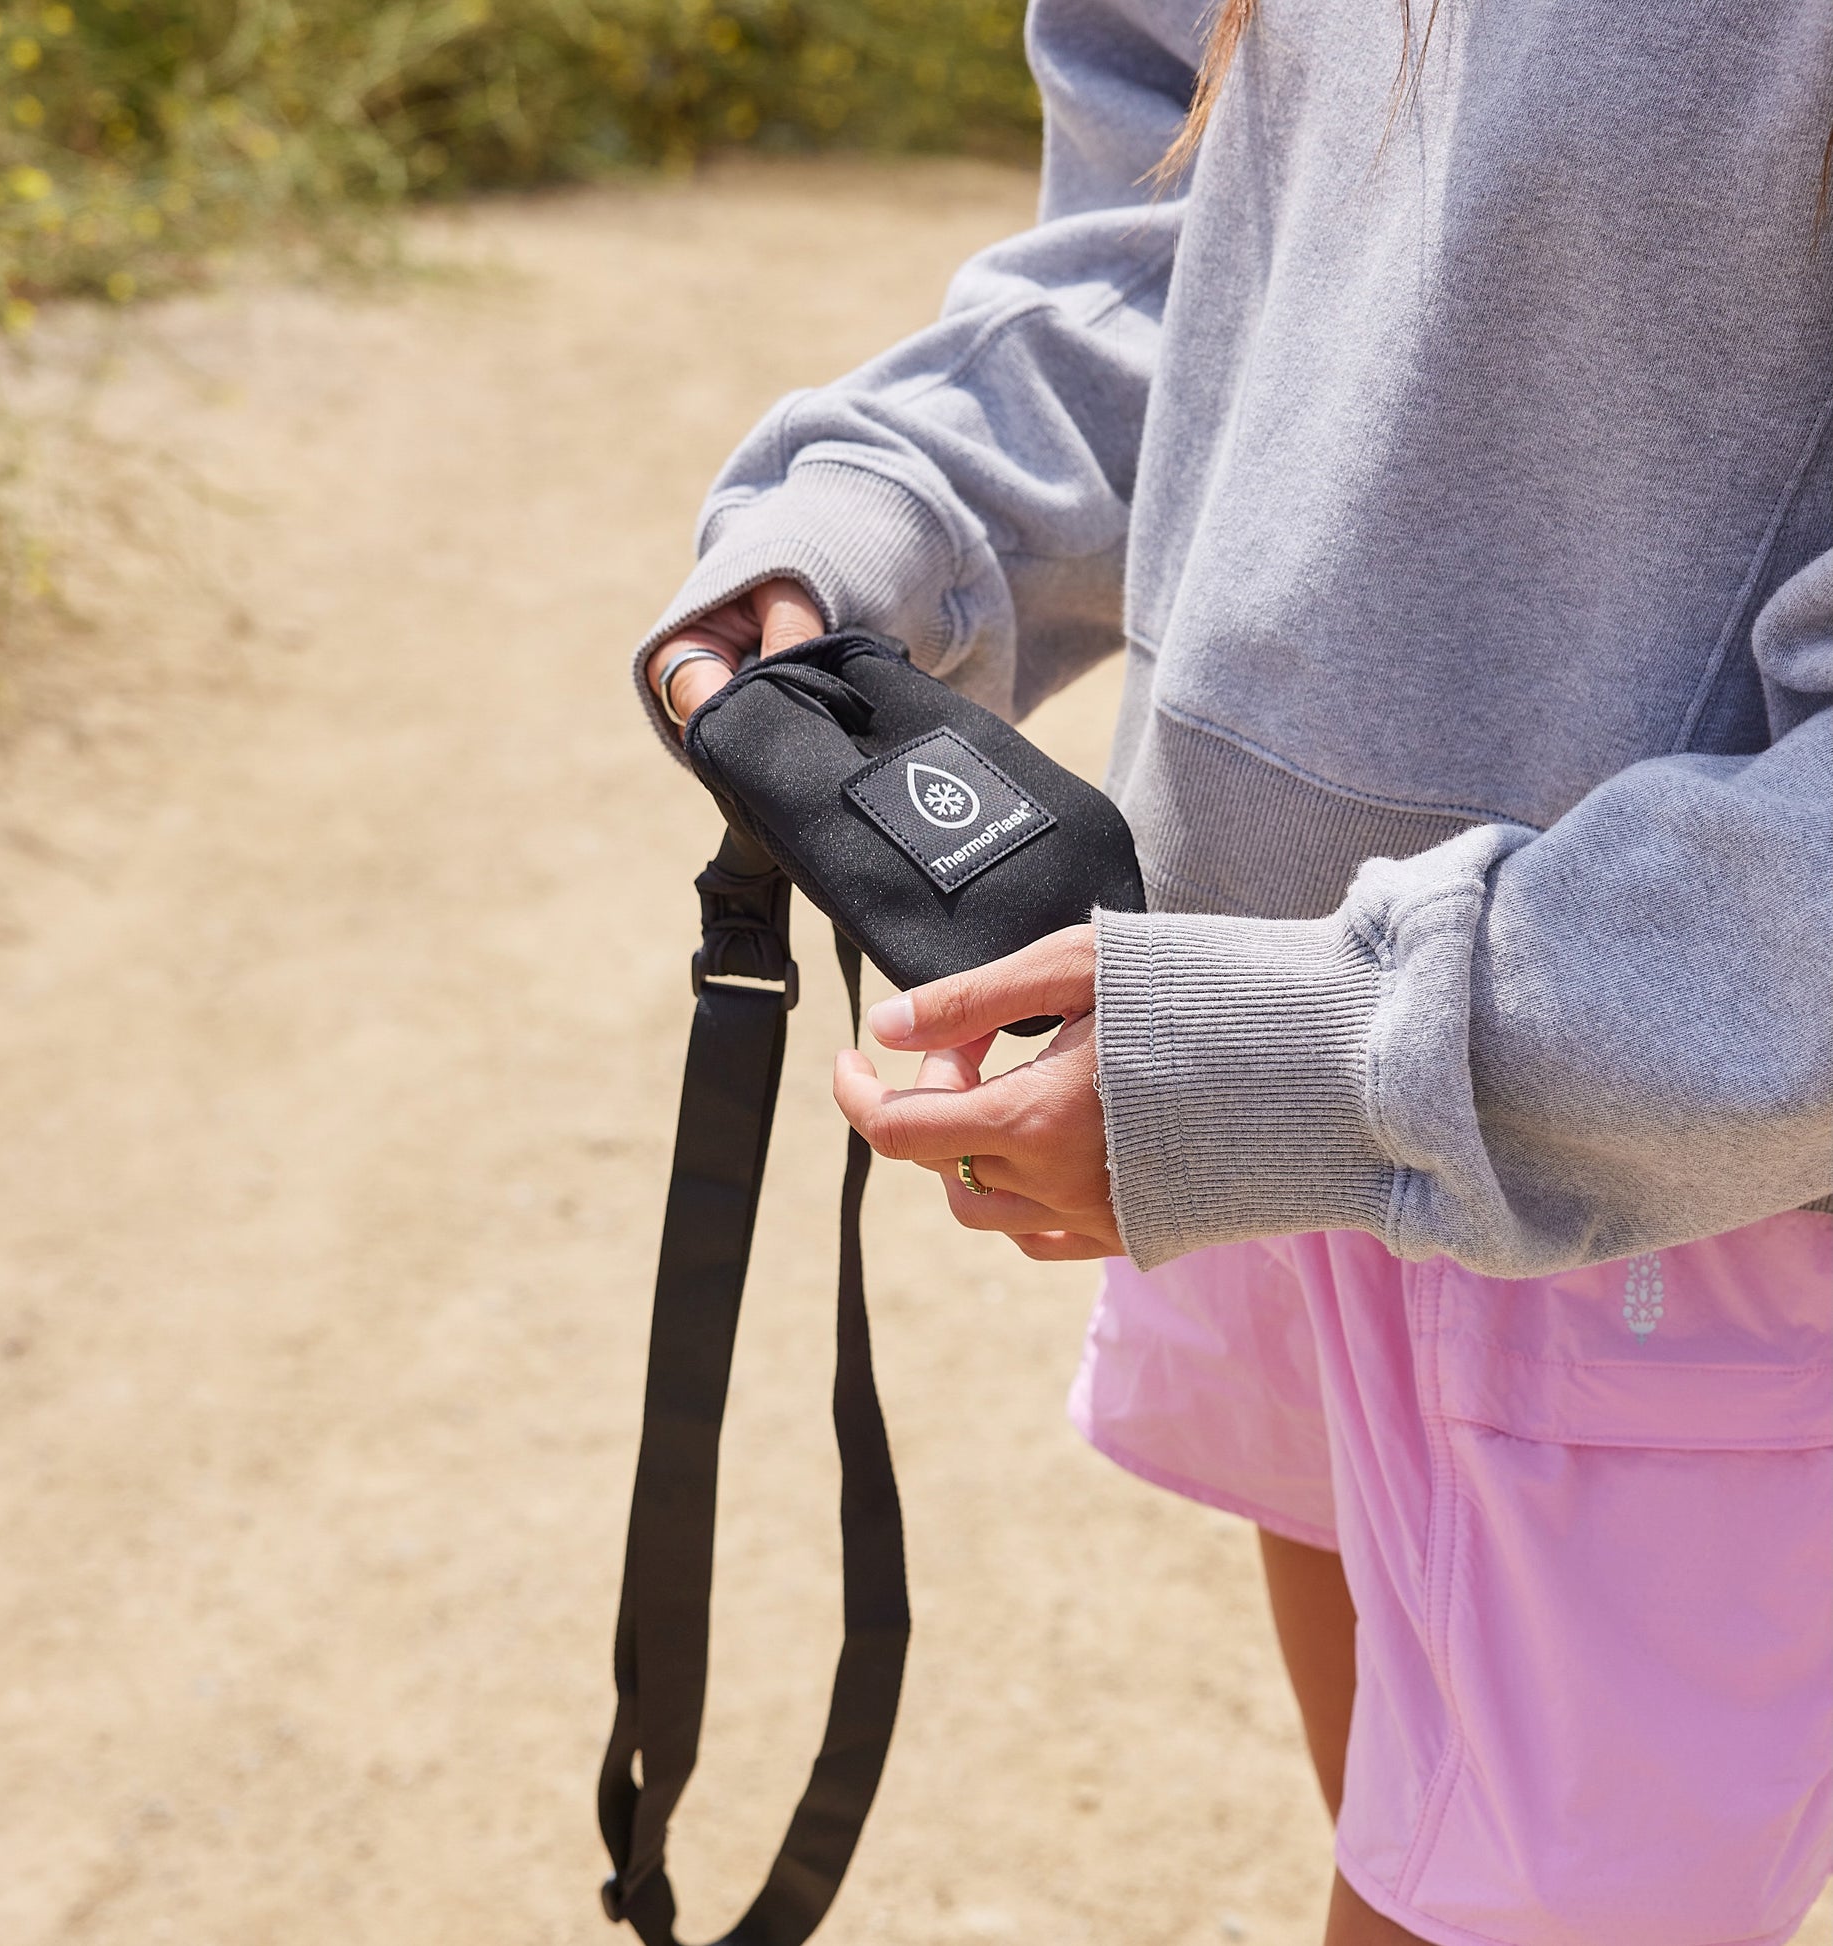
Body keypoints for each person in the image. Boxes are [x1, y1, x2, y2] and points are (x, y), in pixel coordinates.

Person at [633, 3, 1833, 1940]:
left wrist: (1326, 1062)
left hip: (1684, 1145)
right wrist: (877, 522)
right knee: (1392, 1845)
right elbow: (1189, 256)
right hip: (1284, 1071)